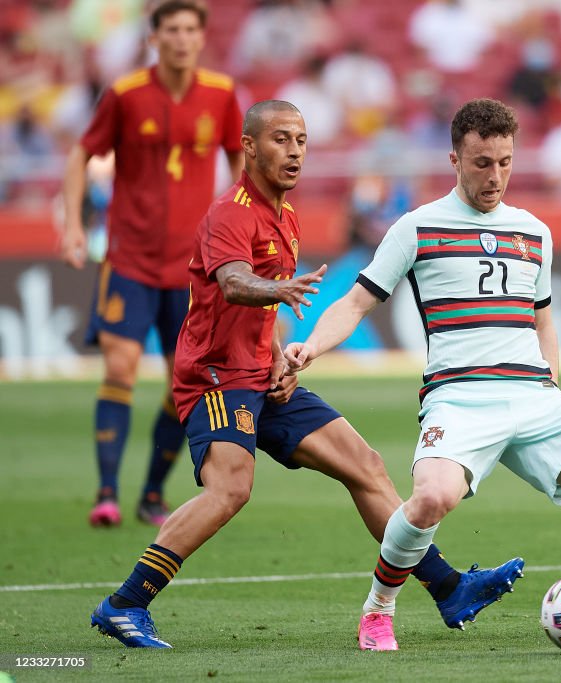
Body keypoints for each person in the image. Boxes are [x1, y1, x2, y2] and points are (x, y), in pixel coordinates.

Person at [88, 99, 523, 649]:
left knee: (364, 465)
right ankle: (126, 603)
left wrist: (276, 359)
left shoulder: (285, 215)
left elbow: (257, 312)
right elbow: (234, 283)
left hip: (258, 375)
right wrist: (279, 290)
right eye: (280, 139)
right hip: (217, 377)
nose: (294, 151)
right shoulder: (231, 211)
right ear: (248, 147)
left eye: (301, 140)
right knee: (230, 489)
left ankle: (449, 587)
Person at [284, 98, 561, 651]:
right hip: (459, 399)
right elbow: (355, 304)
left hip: (534, 395)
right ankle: (377, 611)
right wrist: (311, 347)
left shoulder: (533, 232)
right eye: (483, 162)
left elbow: (543, 319)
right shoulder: (417, 228)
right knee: (432, 499)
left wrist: (551, 382)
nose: (496, 176)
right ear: (455, 159)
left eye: (505, 162)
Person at [61, 1, 243, 529]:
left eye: (191, 30)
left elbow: (240, 166)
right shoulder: (125, 94)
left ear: (201, 38)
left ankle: (150, 493)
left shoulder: (222, 94)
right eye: (173, 30)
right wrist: (74, 223)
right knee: (119, 367)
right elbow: (81, 154)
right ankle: (106, 493)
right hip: (129, 259)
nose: (183, 39)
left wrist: (241, 230)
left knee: (177, 384)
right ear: (154, 37)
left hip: (191, 268)